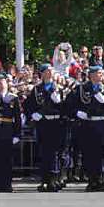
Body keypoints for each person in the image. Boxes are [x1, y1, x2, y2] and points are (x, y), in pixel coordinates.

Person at [66, 66, 104, 191]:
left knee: (103, 153)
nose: (101, 75)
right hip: (88, 125)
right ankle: (93, 180)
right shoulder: (81, 89)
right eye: (99, 73)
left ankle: (103, 179)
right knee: (89, 153)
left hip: (103, 124)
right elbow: (69, 105)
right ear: (92, 75)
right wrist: (77, 113)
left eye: (102, 73)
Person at [23, 64, 66, 192]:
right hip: (43, 123)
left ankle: (55, 179)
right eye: (47, 71)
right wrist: (32, 114)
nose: (50, 73)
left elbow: (67, 107)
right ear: (42, 73)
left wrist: (60, 102)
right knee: (44, 152)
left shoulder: (58, 88)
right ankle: (45, 180)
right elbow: (28, 105)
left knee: (56, 153)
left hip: (56, 123)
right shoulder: (36, 89)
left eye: (51, 71)